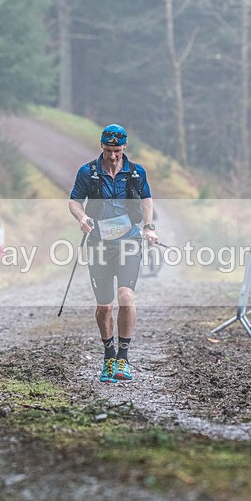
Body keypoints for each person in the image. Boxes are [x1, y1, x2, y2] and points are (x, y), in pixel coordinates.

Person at [68, 124, 158, 383]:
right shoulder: (88, 172)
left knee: (126, 296)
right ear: (101, 146)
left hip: (129, 241)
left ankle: (123, 358)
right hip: (98, 243)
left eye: (117, 151)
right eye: (109, 150)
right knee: (104, 306)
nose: (113, 156)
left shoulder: (136, 172)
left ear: (124, 147)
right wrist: (82, 217)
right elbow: (74, 201)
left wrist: (149, 227)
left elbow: (146, 199)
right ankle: (108, 356)